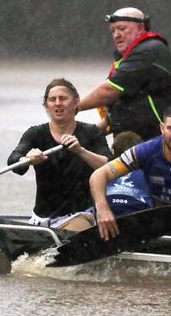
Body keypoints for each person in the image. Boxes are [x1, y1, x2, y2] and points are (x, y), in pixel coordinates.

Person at [90, 101, 171, 240]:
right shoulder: (145, 151)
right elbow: (99, 175)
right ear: (162, 128)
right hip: (157, 218)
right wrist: (102, 209)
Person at [7, 78, 112, 227]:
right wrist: (27, 159)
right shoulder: (35, 133)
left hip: (79, 215)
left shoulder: (91, 132)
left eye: (63, 98)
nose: (57, 103)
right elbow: (13, 162)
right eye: (52, 99)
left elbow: (110, 166)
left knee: (74, 233)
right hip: (42, 218)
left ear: (76, 102)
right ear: (46, 105)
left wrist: (81, 151)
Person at [78, 6, 171, 140]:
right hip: (136, 144)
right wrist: (86, 137)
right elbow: (117, 112)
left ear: (141, 28)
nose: (116, 35)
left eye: (122, 28)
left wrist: (73, 107)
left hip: (162, 144)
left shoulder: (148, 50)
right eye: (113, 31)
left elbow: (109, 91)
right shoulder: (130, 58)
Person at [104, 131, 152, 217]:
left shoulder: (103, 175)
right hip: (139, 218)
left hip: (105, 218)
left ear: (114, 153)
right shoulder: (149, 174)